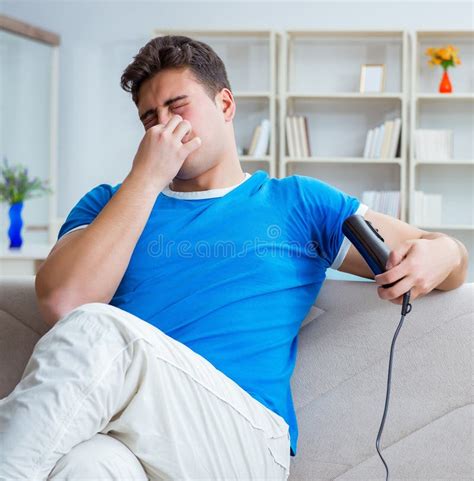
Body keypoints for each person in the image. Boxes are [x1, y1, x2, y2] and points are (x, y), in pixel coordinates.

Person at [0, 35, 468, 481]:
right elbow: (65, 301)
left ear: (225, 104)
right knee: (85, 465)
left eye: (177, 106)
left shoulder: (298, 203)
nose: (164, 126)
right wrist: (145, 178)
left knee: (102, 331)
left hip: (241, 438)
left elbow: (442, 254)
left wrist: (444, 252)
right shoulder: (109, 203)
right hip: (128, 436)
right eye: (149, 119)